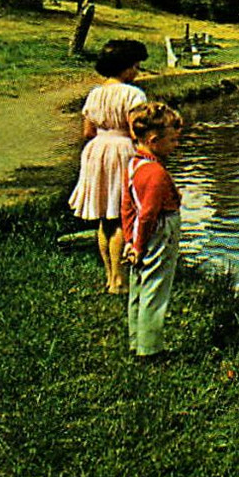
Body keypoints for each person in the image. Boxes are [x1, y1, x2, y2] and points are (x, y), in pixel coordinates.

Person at [68, 39, 149, 293]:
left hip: (97, 151)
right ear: (125, 68)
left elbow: (87, 132)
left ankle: (109, 276)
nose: (137, 71)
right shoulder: (133, 95)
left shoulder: (94, 94)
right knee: (121, 216)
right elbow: (137, 131)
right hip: (122, 151)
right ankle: (120, 281)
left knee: (105, 218)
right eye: (135, 66)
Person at [122, 101, 184, 359]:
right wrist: (138, 245)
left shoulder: (134, 164)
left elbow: (128, 206)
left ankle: (137, 341)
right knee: (155, 287)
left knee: (140, 285)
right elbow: (148, 213)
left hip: (140, 231)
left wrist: (129, 239)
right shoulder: (155, 172)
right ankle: (151, 350)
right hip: (160, 230)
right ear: (154, 139)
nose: (176, 145)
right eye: (172, 140)